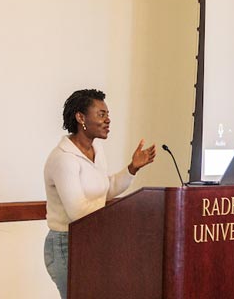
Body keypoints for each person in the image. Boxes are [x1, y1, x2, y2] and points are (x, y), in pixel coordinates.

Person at [43, 89, 156, 298]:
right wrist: (120, 213)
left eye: (108, 115)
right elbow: (78, 211)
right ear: (80, 118)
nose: (108, 120)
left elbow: (106, 189)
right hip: (66, 244)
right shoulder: (63, 159)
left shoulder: (97, 150)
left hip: (93, 238)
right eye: (101, 114)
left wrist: (132, 168)